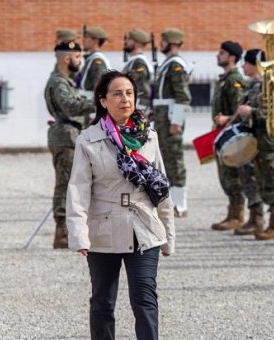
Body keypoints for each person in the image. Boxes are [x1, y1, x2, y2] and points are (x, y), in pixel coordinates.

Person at [67, 71, 175, 340]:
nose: (125, 99)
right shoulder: (88, 140)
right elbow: (78, 191)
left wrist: (168, 235)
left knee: (144, 298)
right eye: (117, 93)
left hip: (144, 228)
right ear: (103, 101)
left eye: (129, 93)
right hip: (103, 229)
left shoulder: (149, 136)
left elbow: (161, 186)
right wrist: (79, 234)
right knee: (103, 301)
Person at [44, 41, 96, 249]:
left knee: (73, 185)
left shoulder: (67, 81)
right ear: (67, 59)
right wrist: (101, 101)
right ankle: (62, 233)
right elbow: (70, 107)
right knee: (64, 185)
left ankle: (71, 230)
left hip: (72, 135)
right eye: (78, 57)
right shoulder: (58, 83)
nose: (80, 61)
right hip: (65, 138)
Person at [209, 41, 262, 232]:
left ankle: (239, 214)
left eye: (222, 53)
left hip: (233, 132)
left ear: (232, 57)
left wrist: (227, 120)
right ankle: (234, 212)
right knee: (226, 176)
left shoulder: (234, 80)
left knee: (234, 175)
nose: (218, 55)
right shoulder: (225, 78)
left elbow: (238, 108)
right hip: (222, 131)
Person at [236, 49, 274, 240]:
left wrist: (251, 112)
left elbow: (273, 113)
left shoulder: (270, 85)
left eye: (247, 63)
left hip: (269, 140)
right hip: (258, 138)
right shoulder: (258, 85)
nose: (243, 66)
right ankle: (259, 219)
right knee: (263, 180)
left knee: (273, 182)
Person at [153, 28, 192, 217]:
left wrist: (176, 122)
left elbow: (182, 96)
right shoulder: (167, 64)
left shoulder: (176, 65)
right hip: (162, 118)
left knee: (175, 160)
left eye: (164, 41)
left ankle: (181, 204)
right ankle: (168, 201)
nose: (161, 44)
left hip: (170, 119)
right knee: (164, 160)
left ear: (173, 43)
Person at [122, 28, 153, 112]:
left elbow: (142, 88)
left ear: (137, 43)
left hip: (138, 105)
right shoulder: (133, 61)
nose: (125, 42)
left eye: (129, 39)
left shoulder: (139, 62)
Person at [78, 26, 111, 100]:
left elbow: (99, 87)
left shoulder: (97, 61)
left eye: (87, 37)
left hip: (93, 106)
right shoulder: (91, 58)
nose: (83, 40)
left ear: (95, 40)